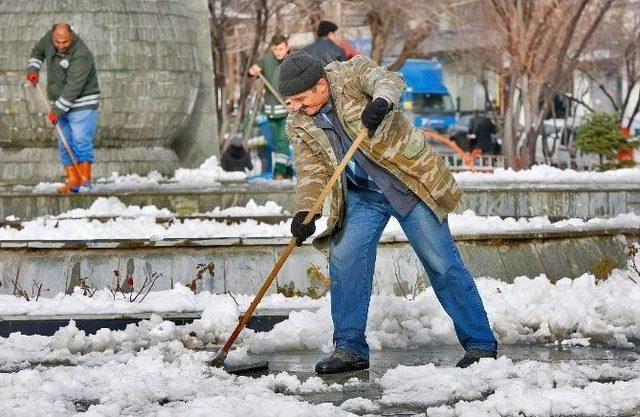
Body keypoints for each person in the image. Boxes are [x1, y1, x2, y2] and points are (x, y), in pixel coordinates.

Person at [278, 51, 498, 374]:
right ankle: (349, 347)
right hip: (363, 195)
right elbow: (311, 172)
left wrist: (380, 102)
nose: (294, 106)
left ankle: (480, 343)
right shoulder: (298, 122)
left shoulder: (350, 76)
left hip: (407, 182)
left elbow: (388, 80)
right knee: (345, 257)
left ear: (321, 86)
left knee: (441, 261)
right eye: (291, 101)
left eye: (299, 99)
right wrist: (305, 213)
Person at [26, 23, 100, 193]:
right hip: (59, 102)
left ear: (71, 36)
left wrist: (56, 110)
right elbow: (37, 53)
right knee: (64, 141)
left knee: (80, 140)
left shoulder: (82, 54)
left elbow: (73, 87)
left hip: (82, 101)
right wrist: (33, 69)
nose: (60, 46)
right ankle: (73, 180)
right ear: (53, 36)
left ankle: (85, 180)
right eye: (57, 42)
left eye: (64, 42)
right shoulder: (48, 40)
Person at [248, 34, 293, 179]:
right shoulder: (266, 60)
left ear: (287, 48)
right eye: (276, 50)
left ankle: (278, 172)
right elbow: (252, 73)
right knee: (277, 144)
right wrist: (252, 71)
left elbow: (299, 84)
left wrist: (292, 99)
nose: (279, 52)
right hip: (270, 109)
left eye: (281, 49)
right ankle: (288, 171)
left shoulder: (293, 61)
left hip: (287, 110)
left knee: (283, 140)